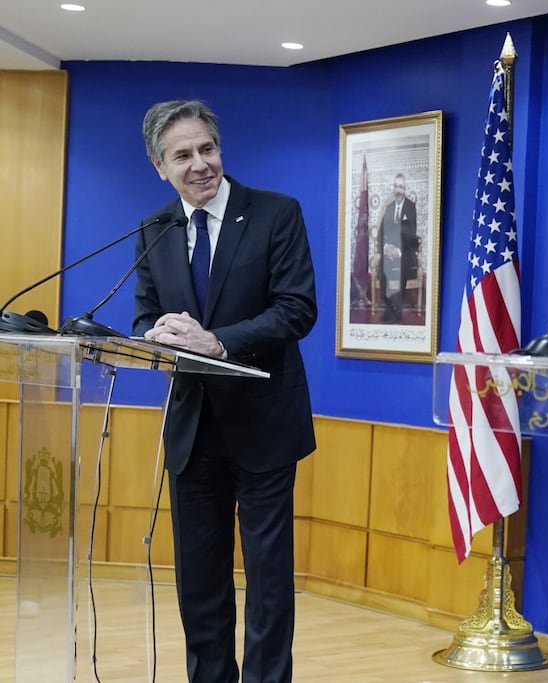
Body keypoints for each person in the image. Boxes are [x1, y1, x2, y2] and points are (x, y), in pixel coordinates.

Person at [132, 99, 318, 683]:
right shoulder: (154, 229)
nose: (200, 164)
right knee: (199, 585)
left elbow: (297, 310)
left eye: (207, 149)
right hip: (192, 431)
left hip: (264, 426)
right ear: (159, 166)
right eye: (182, 155)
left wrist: (215, 342)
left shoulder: (275, 213)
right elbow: (143, 318)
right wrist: (156, 337)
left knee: (267, 584)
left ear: (220, 149)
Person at [377, 173, 419, 321]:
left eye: (401, 187)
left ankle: (397, 310)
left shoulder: (411, 207)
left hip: (404, 251)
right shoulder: (389, 208)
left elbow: (411, 234)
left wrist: (398, 251)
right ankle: (389, 306)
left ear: (405, 189)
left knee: (401, 266)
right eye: (396, 186)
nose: (398, 190)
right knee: (381, 266)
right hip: (390, 252)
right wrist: (386, 247)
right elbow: (381, 232)